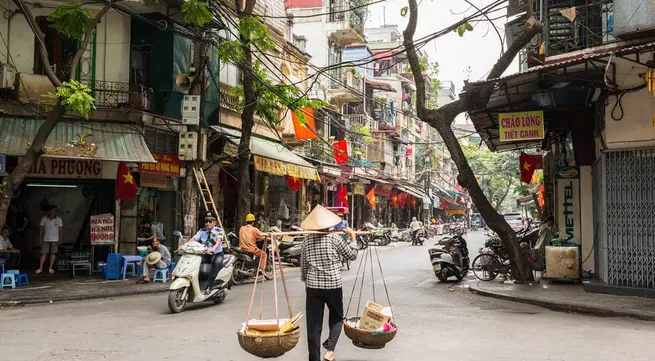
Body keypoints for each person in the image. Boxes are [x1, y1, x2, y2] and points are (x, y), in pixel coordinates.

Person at [300, 205, 358, 361]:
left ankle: (314, 358)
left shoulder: (306, 242)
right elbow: (352, 255)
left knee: (313, 325)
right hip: (333, 285)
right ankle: (330, 349)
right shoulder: (334, 238)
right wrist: (353, 236)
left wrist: (306, 282)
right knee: (337, 319)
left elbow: (304, 267)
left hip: (313, 287)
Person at [186, 211, 224, 294]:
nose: (208, 223)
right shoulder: (202, 231)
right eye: (206, 221)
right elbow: (194, 239)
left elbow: (218, 241)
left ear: (215, 222)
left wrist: (213, 248)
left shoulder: (219, 231)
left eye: (210, 221)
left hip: (217, 254)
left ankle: (209, 286)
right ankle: (193, 285)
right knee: (194, 262)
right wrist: (184, 245)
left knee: (216, 265)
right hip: (206, 254)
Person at [36, 205, 63, 274]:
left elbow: (60, 230)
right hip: (46, 239)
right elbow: (41, 230)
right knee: (43, 253)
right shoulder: (44, 219)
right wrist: (40, 239)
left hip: (55, 239)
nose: (55, 212)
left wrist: (60, 239)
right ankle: (40, 267)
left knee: (53, 253)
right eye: (54, 210)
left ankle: (50, 267)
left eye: (56, 210)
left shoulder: (59, 219)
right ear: (50, 211)